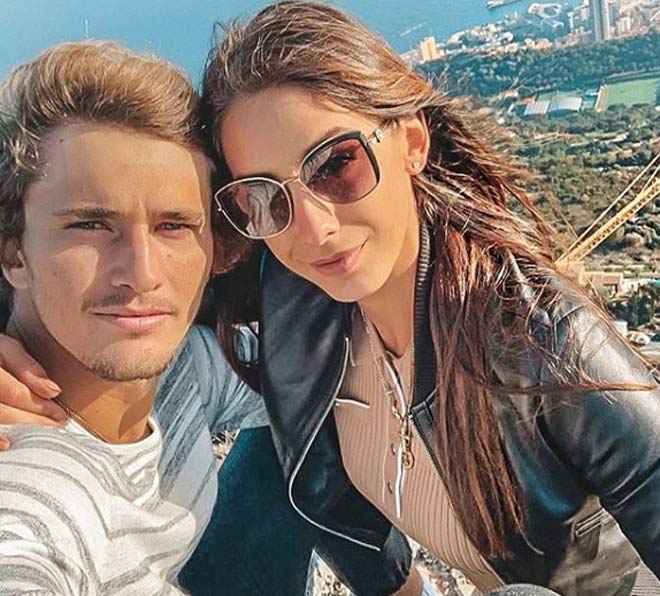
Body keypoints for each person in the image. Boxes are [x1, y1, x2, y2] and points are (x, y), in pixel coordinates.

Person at [192, 2, 660, 595]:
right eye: (264, 197)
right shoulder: (296, 305)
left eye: (336, 164)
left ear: (412, 141)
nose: (313, 228)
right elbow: (147, 294)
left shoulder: (543, 339)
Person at [0, 39, 330, 595]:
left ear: (219, 249)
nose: (142, 274)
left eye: (173, 226)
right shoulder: (31, 486)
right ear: (13, 254)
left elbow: (336, 379)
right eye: (90, 225)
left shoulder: (186, 367)